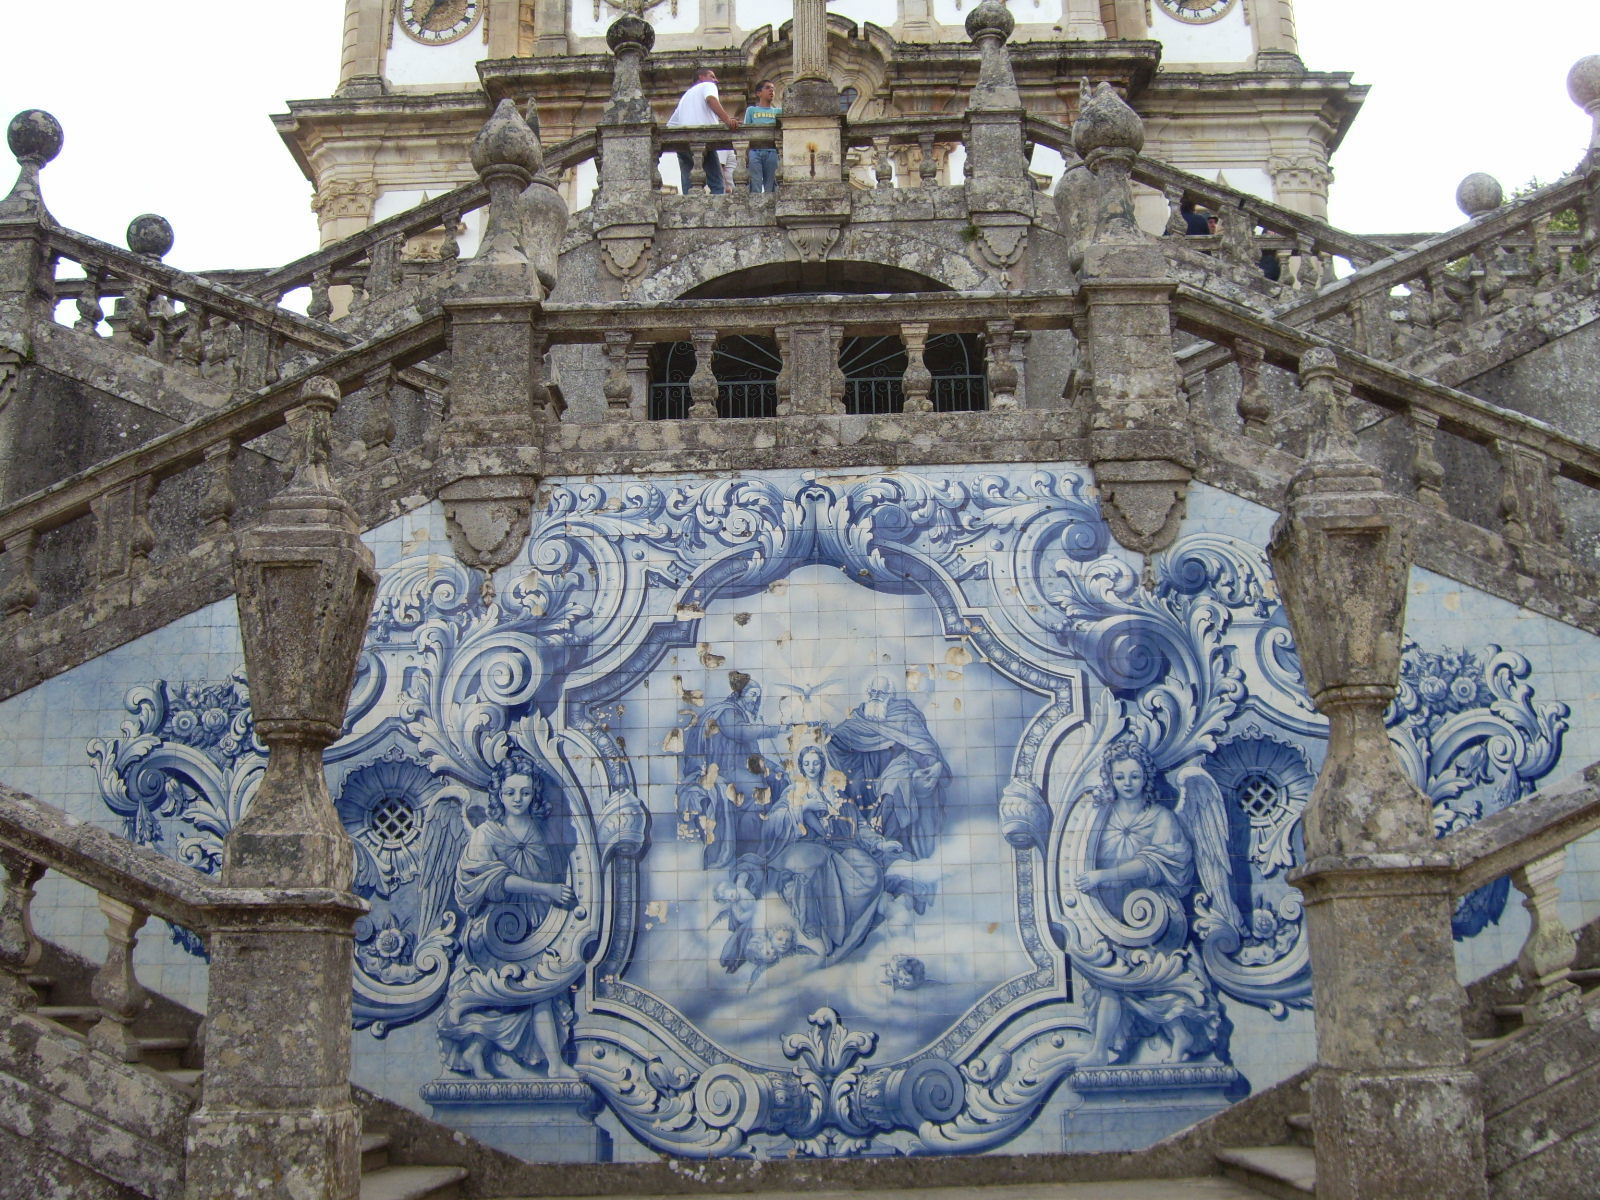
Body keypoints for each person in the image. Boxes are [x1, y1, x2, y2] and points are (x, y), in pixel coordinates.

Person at [1073, 739, 1223, 1066]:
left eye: (1134, 776)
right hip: (1112, 914)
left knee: (1151, 972)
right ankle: (1101, 1048)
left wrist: (1104, 876)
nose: (1127, 783)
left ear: (1146, 777)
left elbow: (1157, 863)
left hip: (1157, 914)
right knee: (1109, 975)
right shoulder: (1100, 816)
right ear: (1110, 777)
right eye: (1120, 777)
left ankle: (1181, 1035)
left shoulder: (1162, 818)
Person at [438, 753, 578, 1079]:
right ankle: (475, 1053)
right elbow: (491, 879)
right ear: (499, 794)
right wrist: (546, 890)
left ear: (534, 795)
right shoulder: (486, 834)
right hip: (495, 930)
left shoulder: (539, 829)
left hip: (535, 926)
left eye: (525, 793)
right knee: (498, 995)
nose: (518, 799)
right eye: (511, 792)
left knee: (542, 990)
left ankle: (555, 1063)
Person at [826, 676, 951, 859]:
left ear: (890, 695)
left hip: (901, 765)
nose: (876, 696)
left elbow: (922, 746)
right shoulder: (860, 716)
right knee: (852, 787)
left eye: (881, 692)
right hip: (869, 771)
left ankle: (891, 843)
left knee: (895, 786)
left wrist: (934, 765)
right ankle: (872, 843)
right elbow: (839, 740)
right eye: (873, 692)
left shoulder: (904, 715)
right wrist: (829, 736)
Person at [680, 672, 787, 868]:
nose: (755, 699)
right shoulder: (727, 711)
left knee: (780, 776)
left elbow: (750, 750)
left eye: (758, 694)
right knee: (756, 789)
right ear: (740, 694)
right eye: (752, 693)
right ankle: (748, 851)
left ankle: (774, 842)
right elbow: (741, 733)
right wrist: (776, 729)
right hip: (723, 770)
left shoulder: (738, 713)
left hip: (739, 765)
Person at [666, 67, 741, 195]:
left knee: (688, 184)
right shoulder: (707, 85)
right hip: (704, 139)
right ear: (701, 77)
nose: (715, 80)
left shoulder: (685, 97)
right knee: (717, 183)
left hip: (683, 142)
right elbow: (711, 99)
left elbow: (671, 125)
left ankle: (688, 207)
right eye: (712, 76)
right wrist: (727, 120)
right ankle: (718, 211)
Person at [743, 80, 781, 193]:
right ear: (759, 93)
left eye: (773, 88)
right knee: (755, 183)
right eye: (768, 88)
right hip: (755, 151)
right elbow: (746, 132)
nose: (771, 90)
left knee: (771, 184)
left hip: (772, 151)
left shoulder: (779, 112)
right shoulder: (751, 110)